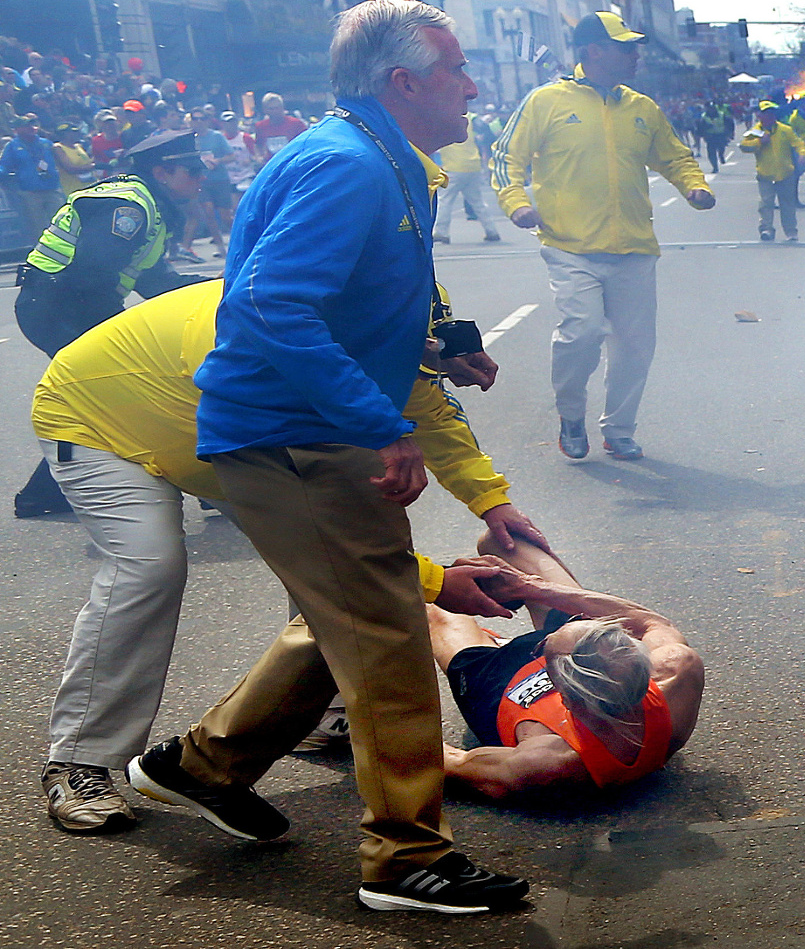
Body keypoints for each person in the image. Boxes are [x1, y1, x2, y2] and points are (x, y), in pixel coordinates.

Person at [125, 0, 529, 915]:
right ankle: (405, 858)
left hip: (304, 429)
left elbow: (374, 293)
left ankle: (202, 767)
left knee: (342, 615)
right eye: (457, 70)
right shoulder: (346, 165)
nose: (474, 85)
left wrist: (443, 346)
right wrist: (381, 426)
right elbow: (272, 306)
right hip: (295, 437)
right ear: (403, 82)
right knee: (386, 637)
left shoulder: (390, 161)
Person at [33, 278, 547, 834]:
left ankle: (320, 714)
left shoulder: (379, 308)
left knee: (326, 568)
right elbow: (329, 528)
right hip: (96, 419)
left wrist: (493, 503)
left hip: (207, 430)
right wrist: (431, 581)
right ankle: (81, 761)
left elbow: (430, 412)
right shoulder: (272, 350)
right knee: (149, 567)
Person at [490, 12, 715, 462]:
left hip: (634, 248)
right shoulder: (545, 101)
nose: (635, 55)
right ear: (594, 50)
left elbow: (674, 156)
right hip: (570, 245)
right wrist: (515, 203)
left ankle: (619, 429)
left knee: (635, 346)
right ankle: (571, 416)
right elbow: (505, 157)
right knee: (581, 333)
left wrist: (695, 186)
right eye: (625, 47)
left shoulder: (642, 107)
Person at [13, 130, 208, 518]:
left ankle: (44, 495)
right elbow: (90, 276)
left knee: (95, 399)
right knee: (123, 389)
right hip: (57, 306)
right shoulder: (130, 207)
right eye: (194, 170)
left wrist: (222, 284)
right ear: (163, 172)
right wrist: (126, 332)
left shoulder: (148, 205)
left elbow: (157, 282)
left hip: (64, 304)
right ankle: (204, 479)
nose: (202, 178)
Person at [430, 534, 704, 798]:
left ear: (567, 700)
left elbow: (449, 762)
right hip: (576, 656)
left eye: (545, 647)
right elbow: (650, 621)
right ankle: (561, 616)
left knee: (423, 601)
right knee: (501, 539)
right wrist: (528, 586)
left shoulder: (547, 762)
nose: (543, 639)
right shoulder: (677, 670)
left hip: (500, 686)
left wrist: (432, 582)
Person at [740, 100, 805, 243]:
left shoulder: (785, 130)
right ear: (761, 115)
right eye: (767, 113)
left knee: (787, 205)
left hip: (786, 174)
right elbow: (744, 146)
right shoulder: (755, 131)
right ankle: (766, 230)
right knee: (766, 204)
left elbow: (798, 143)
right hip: (765, 174)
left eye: (772, 113)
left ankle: (791, 232)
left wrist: (803, 155)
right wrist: (759, 142)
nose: (771, 116)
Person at [433, 111, 500, 244]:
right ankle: (491, 230)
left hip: (454, 166)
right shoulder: (471, 117)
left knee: (445, 200)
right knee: (477, 201)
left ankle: (441, 232)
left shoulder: (440, 117)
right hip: (473, 164)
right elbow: (484, 134)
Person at [0, 113, 65, 242]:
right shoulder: (12, 147)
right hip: (30, 192)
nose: (31, 128)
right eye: (26, 126)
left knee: (60, 221)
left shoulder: (46, 143)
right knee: (37, 225)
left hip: (51, 188)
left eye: (32, 125)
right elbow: (4, 167)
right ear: (17, 129)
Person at [182, 107, 230, 257]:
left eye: (202, 118)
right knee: (208, 212)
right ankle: (220, 247)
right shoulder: (189, 139)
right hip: (201, 181)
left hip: (220, 179)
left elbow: (231, 155)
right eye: (195, 119)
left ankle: (240, 239)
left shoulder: (217, 137)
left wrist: (218, 160)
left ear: (207, 120)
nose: (199, 122)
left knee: (225, 216)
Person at [253, 91, 306, 164]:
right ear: (265, 110)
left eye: (277, 108)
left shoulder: (296, 124)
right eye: (271, 109)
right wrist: (259, 157)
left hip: (293, 163)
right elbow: (258, 144)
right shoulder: (260, 126)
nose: (275, 111)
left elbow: (306, 143)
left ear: (282, 108)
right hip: (271, 164)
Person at [51, 122, 95, 196]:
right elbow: (70, 169)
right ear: (64, 134)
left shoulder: (78, 146)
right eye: (74, 132)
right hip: (73, 189)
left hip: (89, 186)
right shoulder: (58, 148)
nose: (77, 134)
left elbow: (87, 162)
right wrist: (93, 166)